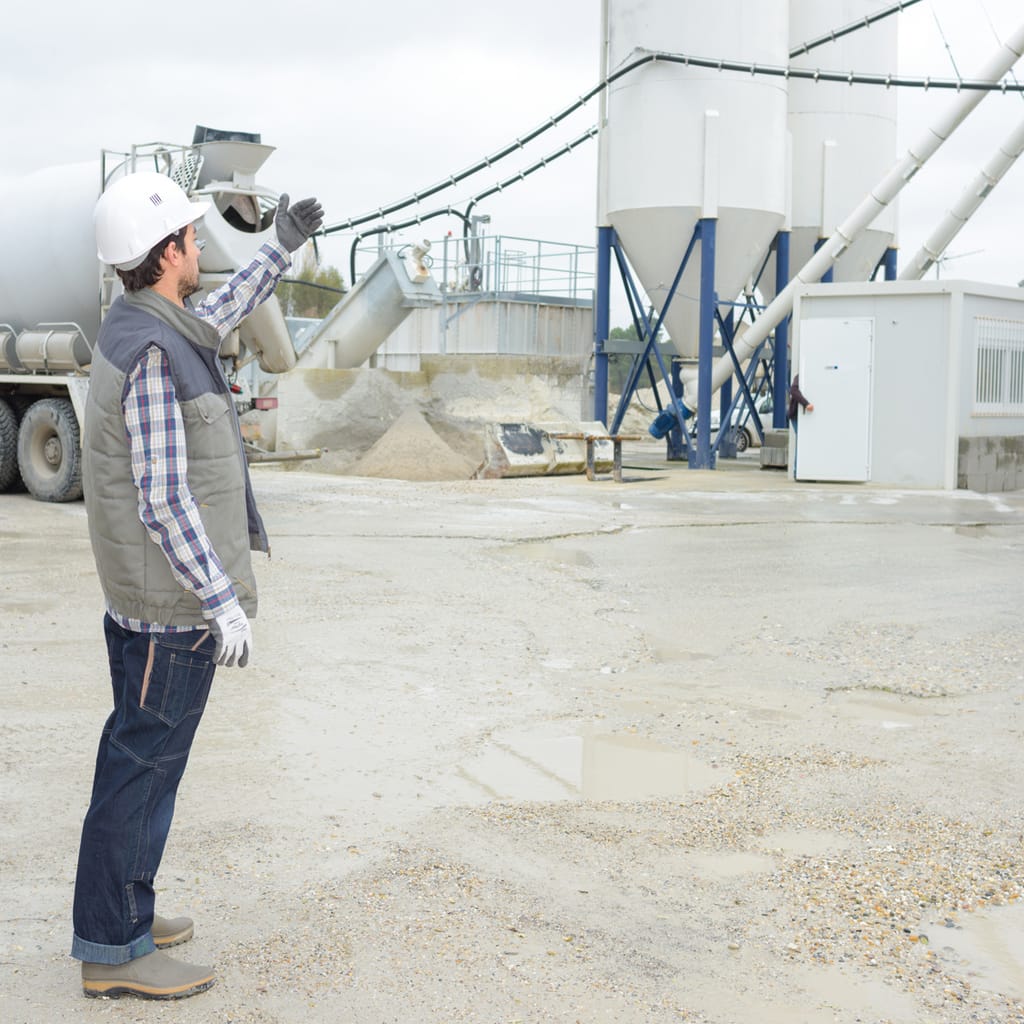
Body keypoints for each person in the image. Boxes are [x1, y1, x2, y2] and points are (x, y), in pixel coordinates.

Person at [71, 170, 323, 1000]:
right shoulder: (150, 352)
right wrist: (219, 601)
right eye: (191, 238)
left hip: (147, 604)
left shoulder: (148, 321)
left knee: (145, 767)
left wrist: (278, 249)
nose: (200, 249)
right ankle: (113, 952)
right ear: (167, 251)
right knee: (141, 772)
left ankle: (126, 915)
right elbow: (164, 497)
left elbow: (217, 314)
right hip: (166, 614)